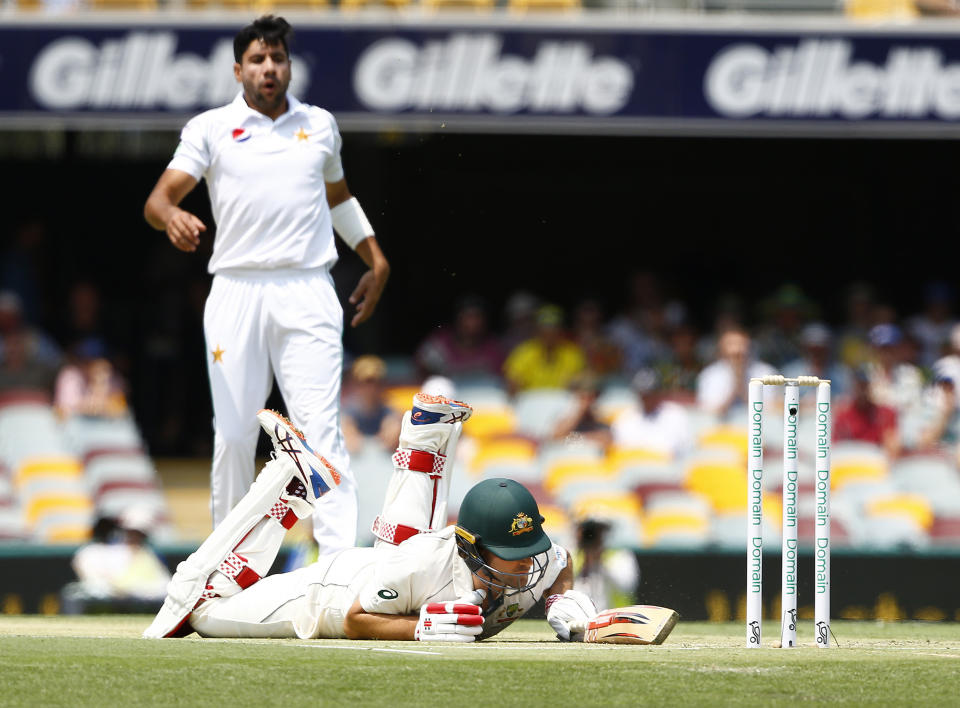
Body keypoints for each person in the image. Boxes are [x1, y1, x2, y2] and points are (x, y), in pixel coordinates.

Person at [143, 16, 390, 553]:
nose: (269, 68)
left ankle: (338, 567)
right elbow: (158, 200)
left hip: (307, 288)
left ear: (289, 66)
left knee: (320, 432)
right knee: (233, 436)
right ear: (238, 70)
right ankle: (223, 567)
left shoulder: (320, 124)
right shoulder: (209, 128)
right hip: (235, 290)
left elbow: (339, 198)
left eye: (277, 58)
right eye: (257, 59)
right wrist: (172, 217)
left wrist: (375, 257)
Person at [144, 394, 599, 643]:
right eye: (512, 556)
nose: (527, 567)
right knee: (199, 608)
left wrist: (562, 599)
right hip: (329, 596)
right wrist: (417, 628)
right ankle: (288, 482)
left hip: (393, 572)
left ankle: (427, 432)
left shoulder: (537, 561)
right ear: (472, 549)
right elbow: (357, 617)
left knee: (401, 550)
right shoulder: (423, 562)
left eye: (529, 553)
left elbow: (560, 563)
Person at [503, 305, 586, 395]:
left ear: (561, 332)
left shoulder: (573, 353)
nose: (549, 336)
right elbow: (512, 382)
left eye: (553, 331)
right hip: (530, 403)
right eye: (545, 332)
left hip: (563, 403)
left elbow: (581, 382)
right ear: (536, 331)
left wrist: (578, 384)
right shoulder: (523, 352)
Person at [341, 355, 400, 455]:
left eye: (376, 382)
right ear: (355, 384)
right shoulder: (346, 413)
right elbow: (352, 446)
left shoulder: (392, 413)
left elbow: (389, 444)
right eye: (365, 382)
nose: (371, 388)